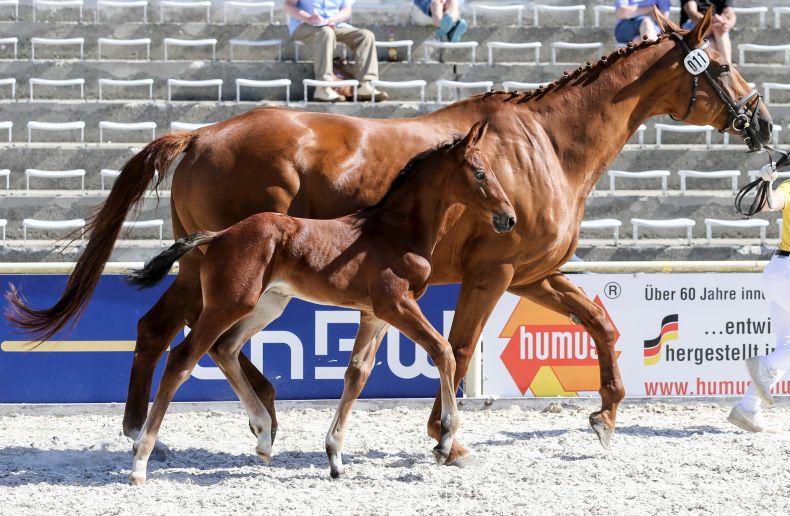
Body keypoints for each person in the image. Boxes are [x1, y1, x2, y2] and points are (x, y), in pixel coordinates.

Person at [729, 164, 790, 432]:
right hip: (787, 273)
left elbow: (769, 204)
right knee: (780, 355)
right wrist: (766, 183)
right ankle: (763, 364)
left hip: (778, 269)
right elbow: (770, 203)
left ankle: (747, 407)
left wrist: (767, 182)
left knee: (786, 347)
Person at [285, 0, 388, 102]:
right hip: (304, 25)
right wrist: (308, 18)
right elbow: (289, 5)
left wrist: (333, 19)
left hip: (333, 25)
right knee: (326, 33)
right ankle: (323, 88)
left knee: (365, 36)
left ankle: (365, 85)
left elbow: (346, 9)